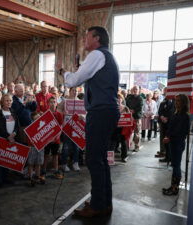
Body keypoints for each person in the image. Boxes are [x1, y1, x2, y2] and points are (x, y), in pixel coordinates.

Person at [57, 26, 120, 217]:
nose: (84, 40)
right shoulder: (105, 56)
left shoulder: (96, 55)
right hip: (107, 111)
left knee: (93, 159)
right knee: (100, 159)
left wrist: (62, 71)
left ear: (97, 38)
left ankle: (98, 205)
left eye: (87, 36)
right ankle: (104, 203)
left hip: (100, 112)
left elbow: (73, 81)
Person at [162, 94, 190, 195]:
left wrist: (169, 136)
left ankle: (175, 188)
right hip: (172, 142)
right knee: (174, 165)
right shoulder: (176, 113)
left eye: (178, 101)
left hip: (178, 143)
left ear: (183, 103)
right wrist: (167, 135)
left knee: (176, 166)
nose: (176, 103)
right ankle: (172, 186)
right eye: (176, 100)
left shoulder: (185, 116)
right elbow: (170, 127)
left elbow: (180, 131)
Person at [0, 94, 19, 187]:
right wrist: (8, 136)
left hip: (12, 139)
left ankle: (6, 178)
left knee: (8, 160)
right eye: (7, 101)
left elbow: (17, 126)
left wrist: (14, 134)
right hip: (2, 139)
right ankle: (0, 180)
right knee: (1, 161)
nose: (9, 102)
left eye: (10, 101)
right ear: (2, 102)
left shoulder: (13, 112)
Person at [58, 87, 81, 171]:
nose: (75, 92)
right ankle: (64, 164)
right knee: (66, 146)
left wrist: (82, 116)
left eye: (76, 91)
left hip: (76, 126)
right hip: (66, 125)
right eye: (73, 90)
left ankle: (75, 162)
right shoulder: (65, 100)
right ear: (70, 91)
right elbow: (58, 109)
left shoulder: (79, 101)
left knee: (76, 146)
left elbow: (83, 113)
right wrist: (63, 112)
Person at [42, 96, 63, 179]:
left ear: (56, 103)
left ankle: (56, 170)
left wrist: (56, 137)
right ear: (48, 103)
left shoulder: (59, 114)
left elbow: (61, 127)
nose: (53, 103)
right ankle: (43, 171)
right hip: (47, 139)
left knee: (55, 155)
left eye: (54, 102)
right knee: (46, 155)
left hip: (56, 139)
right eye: (51, 102)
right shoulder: (45, 114)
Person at [156, 88, 175, 162]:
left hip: (171, 124)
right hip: (163, 124)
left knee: (170, 142)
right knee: (165, 141)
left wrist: (167, 118)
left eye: (167, 91)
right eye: (165, 92)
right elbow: (160, 111)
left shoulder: (174, 101)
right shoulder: (163, 101)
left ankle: (171, 157)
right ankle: (167, 157)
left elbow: (173, 112)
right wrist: (161, 117)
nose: (166, 93)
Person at [126, 86, 143, 151]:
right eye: (134, 89)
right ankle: (128, 146)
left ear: (139, 90)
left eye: (136, 89)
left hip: (137, 117)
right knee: (128, 132)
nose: (135, 90)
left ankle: (136, 146)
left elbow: (140, 107)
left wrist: (133, 110)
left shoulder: (140, 98)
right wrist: (128, 110)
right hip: (129, 117)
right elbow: (126, 104)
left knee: (136, 132)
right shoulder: (129, 97)